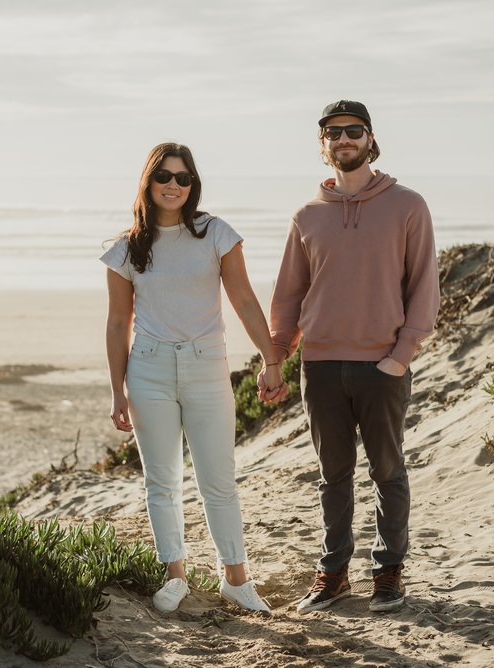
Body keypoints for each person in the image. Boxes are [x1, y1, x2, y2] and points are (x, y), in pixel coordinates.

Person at [260, 100, 440, 614]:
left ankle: (388, 574)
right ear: (324, 144)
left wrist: (401, 357)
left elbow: (424, 285)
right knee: (332, 475)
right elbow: (289, 297)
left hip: (382, 365)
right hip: (319, 366)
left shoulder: (407, 205)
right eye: (333, 133)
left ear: (369, 137)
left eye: (353, 131)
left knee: (388, 471)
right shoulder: (307, 215)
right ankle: (333, 574)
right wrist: (276, 358)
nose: (344, 140)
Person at [102, 142, 287, 614]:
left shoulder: (216, 234)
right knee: (161, 482)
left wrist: (271, 359)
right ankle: (175, 577)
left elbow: (244, 301)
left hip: (207, 367)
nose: (173, 186)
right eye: (164, 176)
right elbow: (117, 321)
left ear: (193, 184)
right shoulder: (127, 247)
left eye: (183, 178)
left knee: (218, 480)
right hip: (149, 369)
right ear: (149, 181)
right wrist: (116, 390)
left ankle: (237, 579)